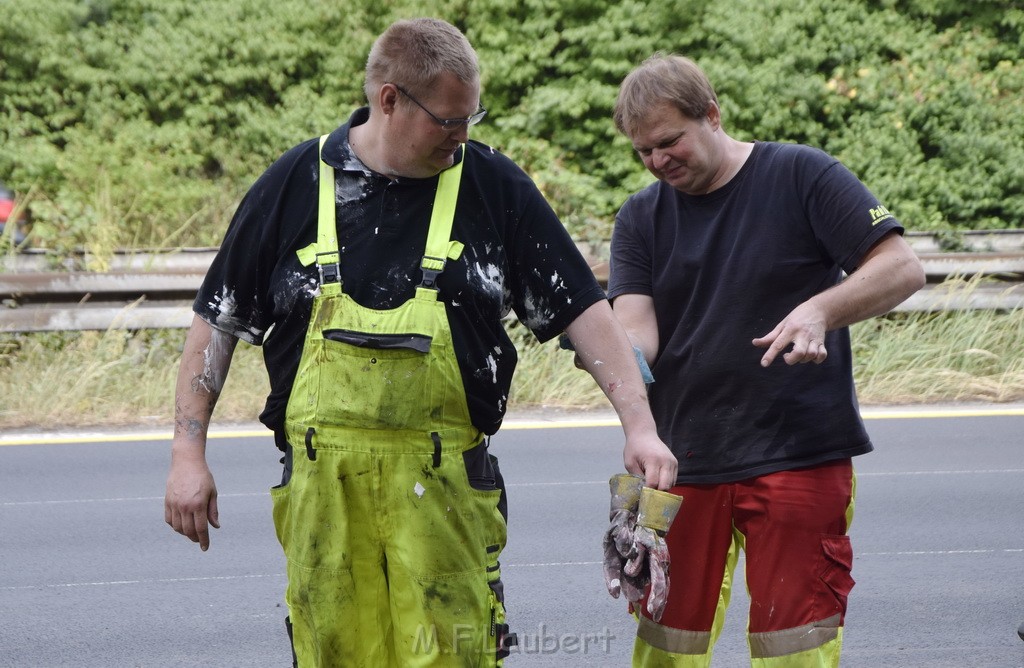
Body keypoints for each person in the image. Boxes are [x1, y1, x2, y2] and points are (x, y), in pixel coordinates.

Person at [163, 17, 676, 668]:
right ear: (390, 100)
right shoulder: (296, 183)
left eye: (472, 118)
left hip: (447, 493)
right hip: (325, 493)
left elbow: (585, 314)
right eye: (449, 120)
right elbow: (218, 322)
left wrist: (640, 425)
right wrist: (187, 456)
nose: (463, 136)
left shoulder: (493, 187)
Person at [606, 54, 926, 666]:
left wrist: (820, 311)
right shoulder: (641, 217)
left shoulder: (802, 174)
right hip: (681, 462)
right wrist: (615, 358)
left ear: (712, 114)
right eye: (642, 152)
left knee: (794, 644)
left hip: (799, 451)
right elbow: (637, 328)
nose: (656, 161)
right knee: (666, 642)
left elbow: (901, 267)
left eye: (669, 141)